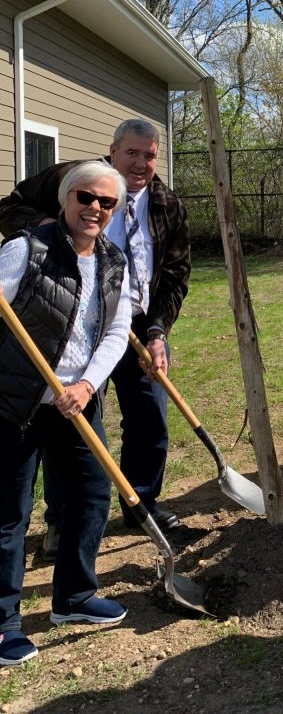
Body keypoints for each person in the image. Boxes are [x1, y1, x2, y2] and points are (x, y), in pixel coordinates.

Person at [0, 119, 191, 548]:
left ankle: (141, 503)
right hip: (75, 316)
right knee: (72, 417)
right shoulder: (76, 178)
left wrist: (159, 330)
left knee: (150, 417)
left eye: (150, 155)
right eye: (132, 153)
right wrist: (52, 223)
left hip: (137, 319)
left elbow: (177, 272)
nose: (141, 163)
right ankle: (61, 522)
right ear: (113, 149)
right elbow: (8, 206)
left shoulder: (166, 204)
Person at [0, 161, 132, 666]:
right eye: (85, 197)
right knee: (9, 513)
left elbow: (117, 334)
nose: (94, 209)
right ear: (64, 199)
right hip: (17, 402)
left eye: (106, 202)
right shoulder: (25, 251)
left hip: (76, 401)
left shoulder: (114, 262)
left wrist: (85, 384)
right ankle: (3, 623)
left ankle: (73, 599)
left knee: (90, 496)